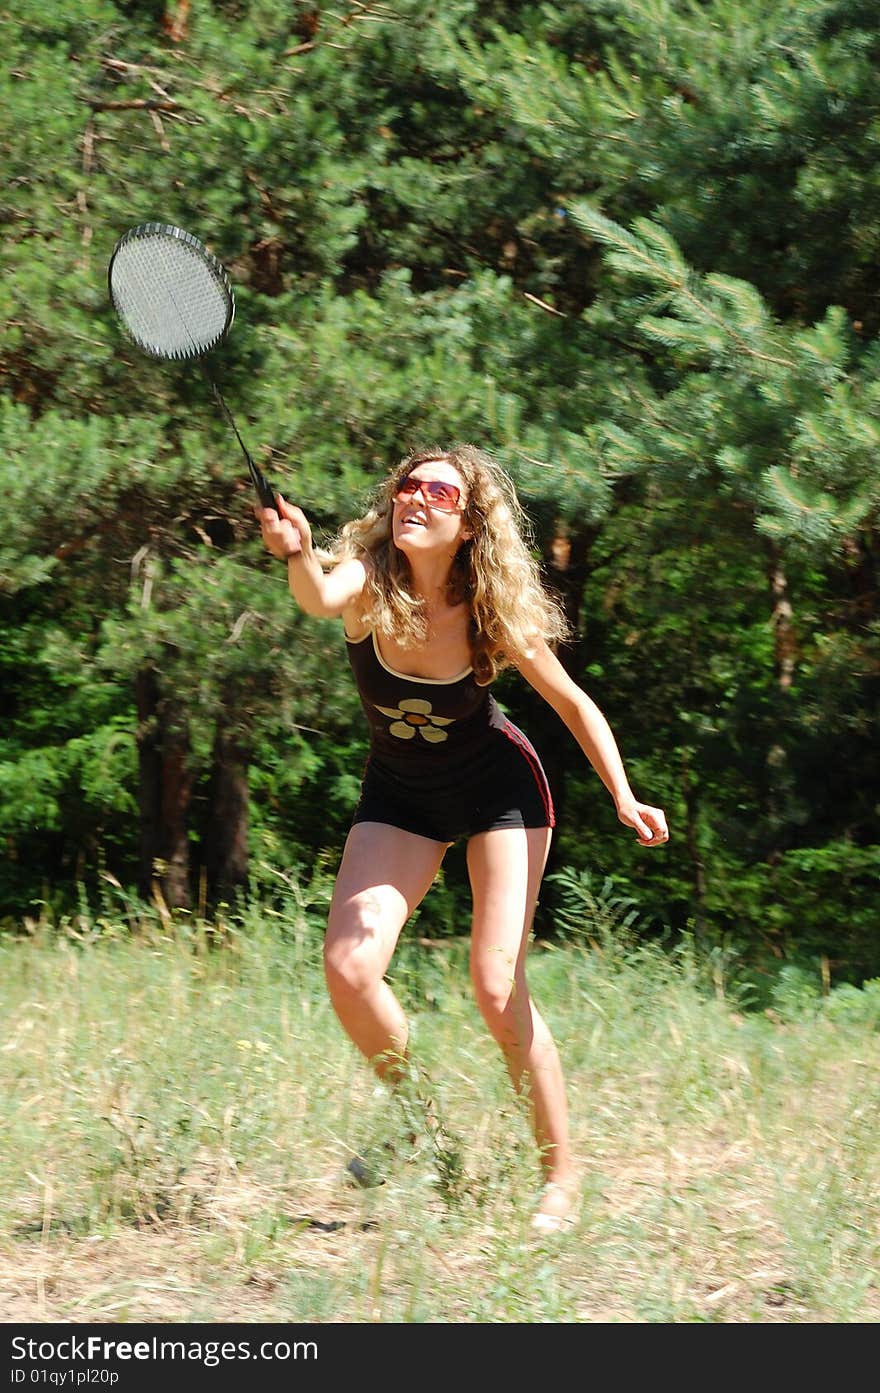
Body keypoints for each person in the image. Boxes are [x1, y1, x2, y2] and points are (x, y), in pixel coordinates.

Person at [256, 443, 668, 1233]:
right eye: (406, 483)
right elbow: (317, 594)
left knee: (496, 985)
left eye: (438, 491)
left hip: (500, 793)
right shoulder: (368, 579)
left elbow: (574, 704)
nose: (415, 496)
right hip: (402, 792)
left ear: (472, 523)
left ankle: (562, 1176)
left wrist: (624, 794)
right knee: (348, 965)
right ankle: (417, 1120)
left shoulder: (489, 613)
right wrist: (299, 548)